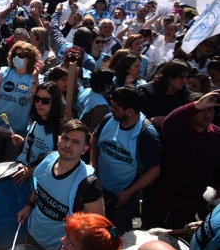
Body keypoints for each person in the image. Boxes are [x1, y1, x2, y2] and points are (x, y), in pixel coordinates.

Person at [17, 120, 104, 250]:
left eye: (76, 142)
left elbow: (96, 228)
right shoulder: (48, 158)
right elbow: (39, 184)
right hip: (32, 234)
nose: (68, 144)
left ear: (84, 150)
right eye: (65, 138)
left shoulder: (88, 184)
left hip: (56, 249)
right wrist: (29, 205)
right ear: (58, 140)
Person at [143, 91, 220, 230]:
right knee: (150, 230)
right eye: (202, 110)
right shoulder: (176, 129)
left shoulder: (217, 135)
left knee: (178, 234)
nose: (207, 114)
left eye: (211, 110)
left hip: (192, 199)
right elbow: (169, 121)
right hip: (163, 193)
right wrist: (197, 105)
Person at [91, 86, 161, 234]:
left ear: (129, 111)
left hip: (122, 197)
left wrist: (128, 192)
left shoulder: (147, 135)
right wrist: (93, 162)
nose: (111, 110)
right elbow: (94, 136)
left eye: (116, 108)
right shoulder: (109, 119)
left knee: (115, 234)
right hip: (99, 188)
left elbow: (154, 171)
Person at [0, 42, 44, 161]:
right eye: (15, 55)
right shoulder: (4, 72)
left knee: (10, 163)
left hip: (18, 131)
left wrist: (36, 78)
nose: (17, 58)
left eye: (21, 56)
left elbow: (36, 99)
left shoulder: (37, 78)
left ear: (30, 59)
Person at [11, 81, 64, 183]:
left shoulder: (59, 129)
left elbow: (58, 160)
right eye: (37, 99)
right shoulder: (36, 120)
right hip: (20, 170)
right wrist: (24, 141)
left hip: (38, 180)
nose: (39, 103)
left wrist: (31, 171)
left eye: (45, 101)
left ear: (55, 102)